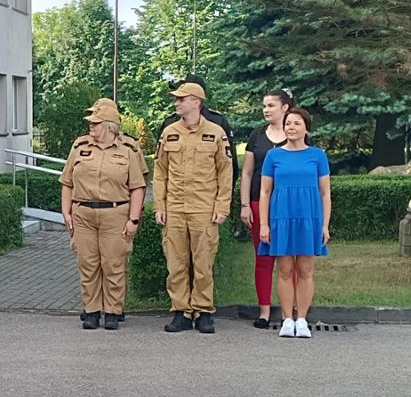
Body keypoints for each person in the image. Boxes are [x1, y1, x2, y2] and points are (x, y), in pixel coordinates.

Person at [152, 80, 233, 334]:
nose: (177, 103)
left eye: (181, 99)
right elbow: (160, 172)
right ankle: (181, 312)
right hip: (175, 208)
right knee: (176, 264)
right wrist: (159, 205)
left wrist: (222, 206)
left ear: (196, 102)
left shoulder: (216, 132)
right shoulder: (169, 132)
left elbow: (225, 171)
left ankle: (203, 310)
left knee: (203, 263)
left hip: (204, 208)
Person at [59, 99, 146, 330]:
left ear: (109, 126)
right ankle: (92, 311)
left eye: (96, 122)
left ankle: (113, 311)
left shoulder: (127, 150)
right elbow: (67, 181)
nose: (91, 125)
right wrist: (66, 211)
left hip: (115, 213)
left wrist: (134, 219)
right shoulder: (80, 146)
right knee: (87, 264)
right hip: (83, 213)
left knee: (113, 264)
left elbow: (138, 187)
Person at [257, 107, 331, 338]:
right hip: (281, 218)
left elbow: (325, 193)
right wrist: (264, 224)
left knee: (305, 270)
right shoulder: (274, 156)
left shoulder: (317, 155)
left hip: (309, 218)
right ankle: (287, 319)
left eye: (297, 123)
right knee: (285, 270)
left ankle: (302, 320)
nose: (291, 127)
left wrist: (324, 224)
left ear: (306, 128)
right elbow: (265, 192)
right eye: (288, 123)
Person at [237, 89, 293, 328]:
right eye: (264, 106)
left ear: (285, 107)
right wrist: (244, 204)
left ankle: (290, 311)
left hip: (287, 204)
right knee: (263, 257)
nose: (266, 110)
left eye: (271, 105)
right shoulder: (257, 135)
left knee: (289, 258)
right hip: (259, 203)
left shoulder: (295, 133)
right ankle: (264, 311)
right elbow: (247, 173)